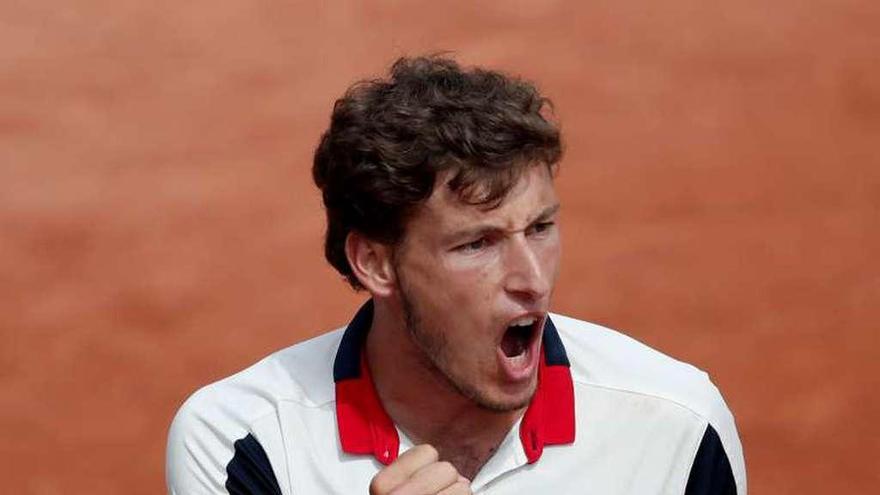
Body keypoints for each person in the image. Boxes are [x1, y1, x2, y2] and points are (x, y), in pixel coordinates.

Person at [166, 55, 747, 495]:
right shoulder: (248, 442)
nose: (531, 278)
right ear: (376, 263)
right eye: (478, 243)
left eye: (540, 228)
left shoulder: (677, 426)